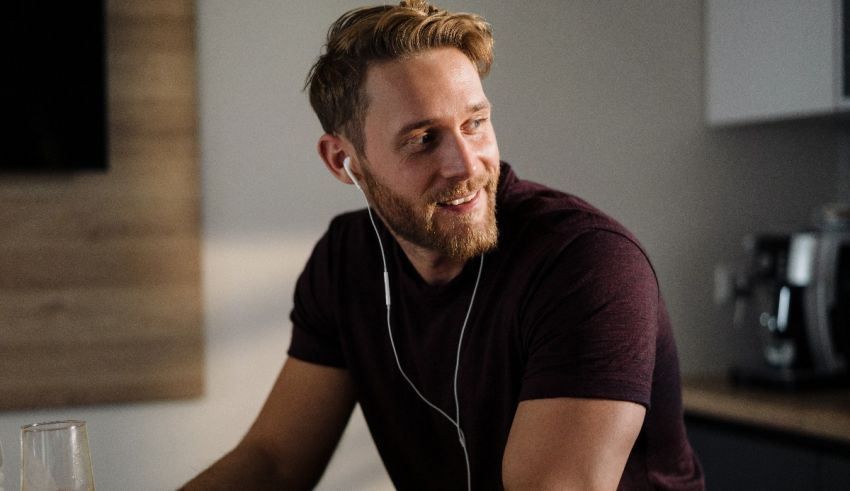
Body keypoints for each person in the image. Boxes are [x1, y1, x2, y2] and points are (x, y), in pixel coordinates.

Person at [182, 1, 704, 489]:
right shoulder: (346, 261)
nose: (468, 165)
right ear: (343, 160)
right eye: (423, 139)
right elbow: (273, 461)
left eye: (475, 123)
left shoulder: (587, 264)